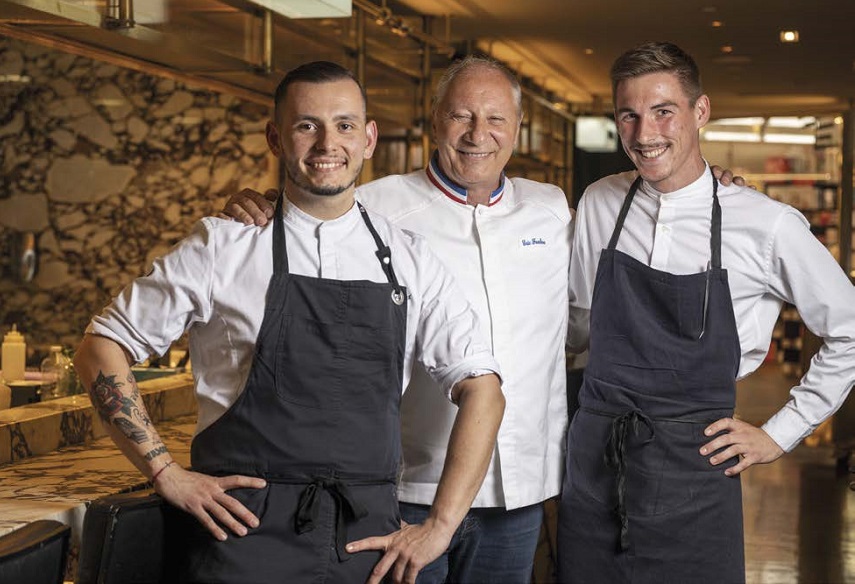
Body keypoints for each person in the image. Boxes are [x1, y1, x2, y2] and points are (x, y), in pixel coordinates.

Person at [224, 55, 744, 583]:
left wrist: (704, 183)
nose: (479, 135)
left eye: (496, 119)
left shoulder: (553, 209)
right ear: (434, 121)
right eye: (461, 116)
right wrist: (258, 205)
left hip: (519, 494)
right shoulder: (374, 208)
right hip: (406, 489)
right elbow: (307, 219)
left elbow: (626, 258)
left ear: (518, 128)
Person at [73, 61, 506, 584]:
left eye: (345, 125)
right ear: (276, 138)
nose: (328, 143)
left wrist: (439, 525)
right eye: (307, 125)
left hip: (365, 544)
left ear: (369, 138)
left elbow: (484, 388)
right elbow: (101, 345)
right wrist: (164, 472)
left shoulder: (410, 258)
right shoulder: (223, 246)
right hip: (240, 535)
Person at [560, 41, 855, 583]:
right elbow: (577, 326)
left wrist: (779, 433)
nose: (645, 133)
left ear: (701, 112)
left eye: (663, 111)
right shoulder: (600, 202)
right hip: (593, 467)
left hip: (696, 470)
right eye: (629, 115)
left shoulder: (766, 224)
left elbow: (850, 330)